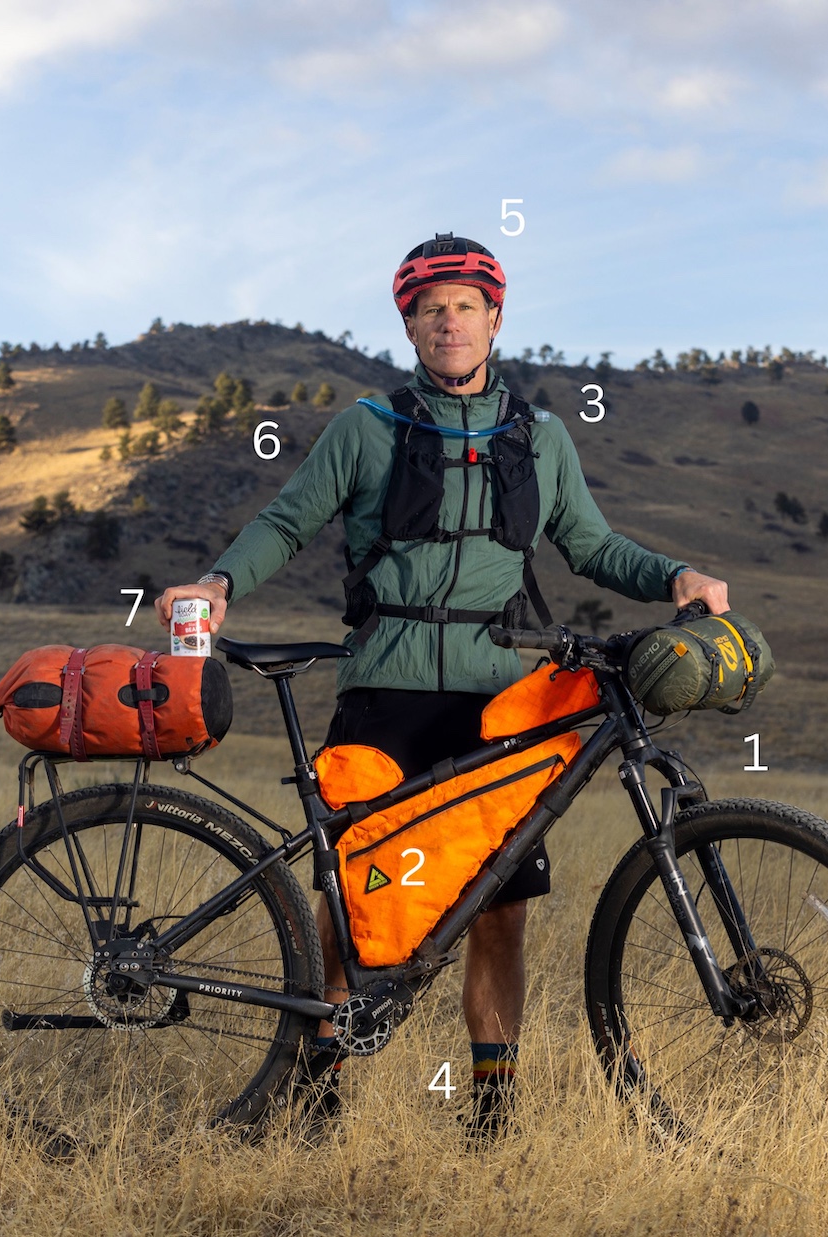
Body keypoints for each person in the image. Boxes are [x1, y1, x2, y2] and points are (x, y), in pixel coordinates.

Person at [155, 232, 729, 1140]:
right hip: (383, 690)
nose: (448, 320)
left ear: (494, 319)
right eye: (431, 308)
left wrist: (675, 575)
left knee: (498, 907)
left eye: (465, 305)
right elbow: (287, 518)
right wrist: (219, 582)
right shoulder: (367, 427)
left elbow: (591, 543)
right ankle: (318, 1093)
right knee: (354, 891)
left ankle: (492, 1116)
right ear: (411, 326)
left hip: (499, 702)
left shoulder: (540, 437)